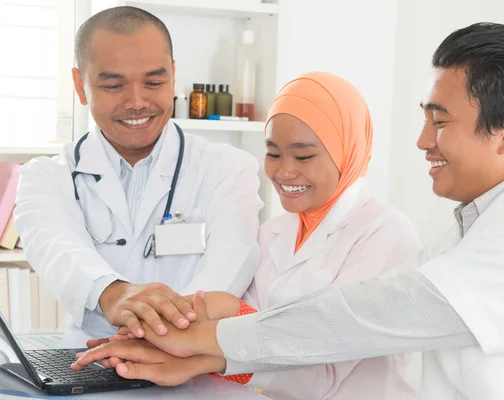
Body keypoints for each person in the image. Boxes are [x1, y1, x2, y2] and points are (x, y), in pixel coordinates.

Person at [74, 22, 504, 399]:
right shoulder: (463, 237)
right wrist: (193, 332)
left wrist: (201, 339)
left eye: (440, 122)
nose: (421, 141)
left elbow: (372, 317)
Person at [78, 72, 422, 398]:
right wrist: (157, 334)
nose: (284, 171)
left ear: (348, 151)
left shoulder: (385, 235)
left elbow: (322, 377)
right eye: (272, 153)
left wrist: (200, 351)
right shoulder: (274, 231)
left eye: (304, 155)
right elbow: (248, 331)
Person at [14, 6, 263, 345]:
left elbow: (229, 265)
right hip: (85, 358)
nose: (137, 102)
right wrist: (113, 294)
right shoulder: (45, 177)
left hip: (190, 363)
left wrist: (166, 331)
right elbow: (57, 250)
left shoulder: (229, 169)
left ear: (173, 76)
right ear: (80, 85)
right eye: (114, 85)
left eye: (154, 82)